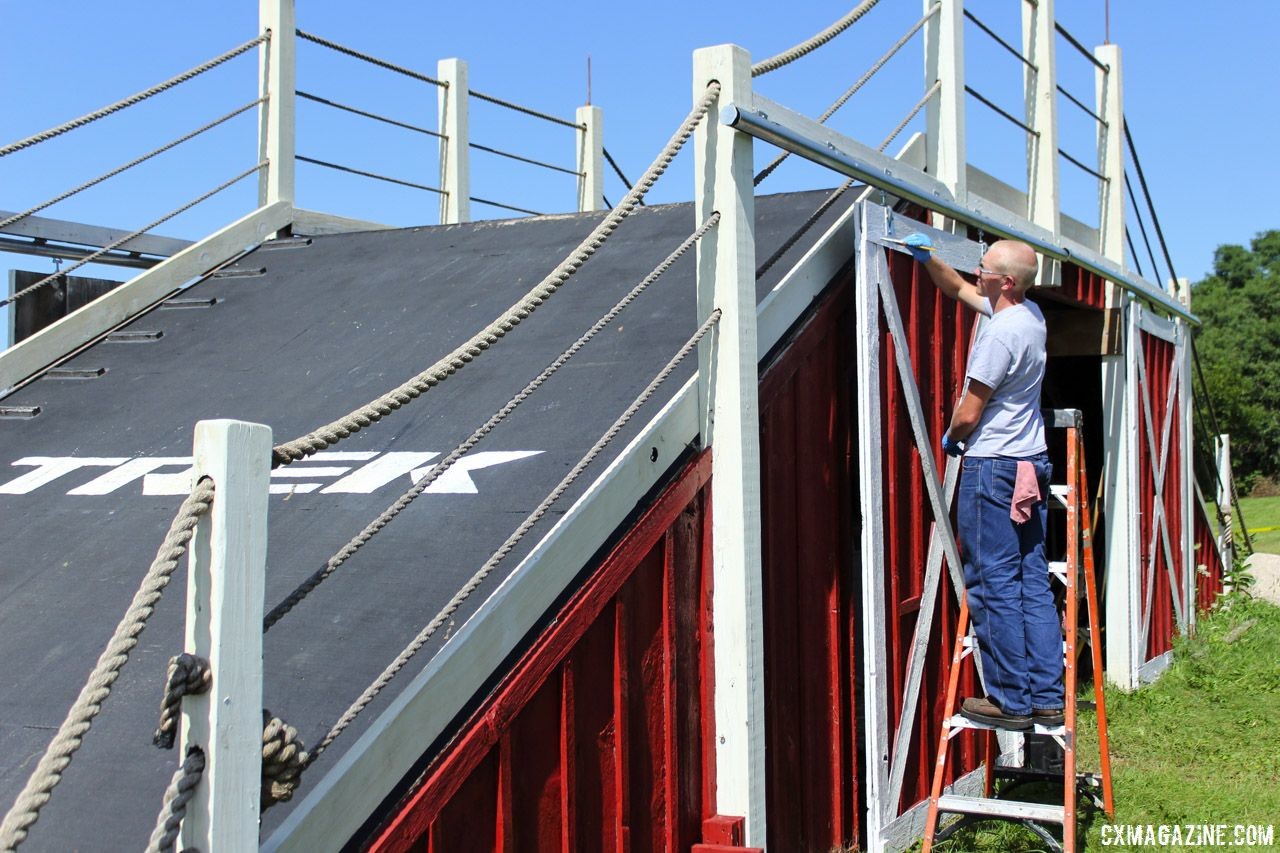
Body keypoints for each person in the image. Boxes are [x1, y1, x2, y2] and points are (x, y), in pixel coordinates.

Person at [904, 232, 1064, 731]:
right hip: (1029, 465)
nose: (979, 274)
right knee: (1031, 580)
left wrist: (951, 438)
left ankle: (1009, 701)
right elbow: (958, 289)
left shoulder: (999, 335)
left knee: (992, 581)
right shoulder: (1028, 317)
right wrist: (927, 258)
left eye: (987, 271)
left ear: (1008, 282)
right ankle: (1046, 696)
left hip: (992, 468)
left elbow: (970, 412)